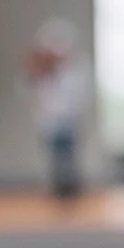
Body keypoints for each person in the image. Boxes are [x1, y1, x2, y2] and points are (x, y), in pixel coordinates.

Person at [24, 18, 89, 200]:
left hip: (68, 121)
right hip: (50, 122)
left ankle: (71, 191)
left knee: (68, 157)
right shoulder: (39, 75)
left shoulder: (74, 72)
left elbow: (77, 96)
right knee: (54, 158)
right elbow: (31, 92)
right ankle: (59, 190)